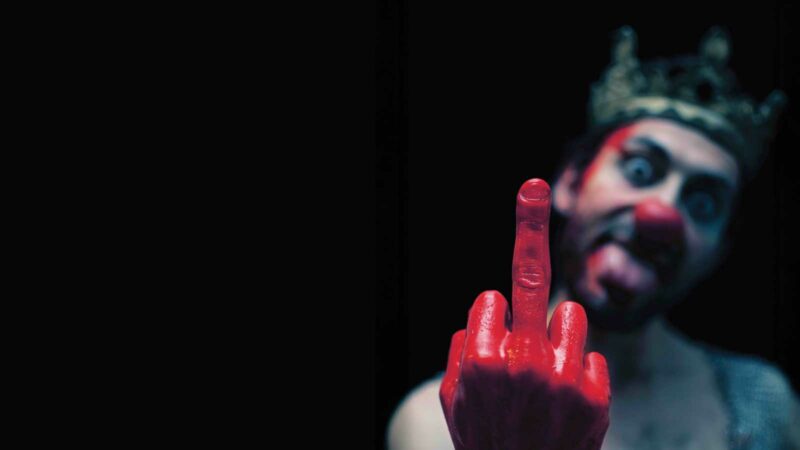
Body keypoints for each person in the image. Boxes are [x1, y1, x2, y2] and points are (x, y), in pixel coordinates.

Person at [386, 26, 799, 450]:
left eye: (704, 204)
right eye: (640, 170)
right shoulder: (442, 421)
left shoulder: (763, 402)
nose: (663, 213)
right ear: (571, 181)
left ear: (719, 250)